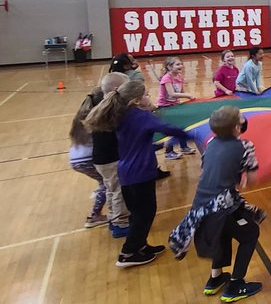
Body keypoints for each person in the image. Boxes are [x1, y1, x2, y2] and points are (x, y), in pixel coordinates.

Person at [84, 80, 191, 268]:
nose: (148, 97)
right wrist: (191, 132)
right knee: (145, 213)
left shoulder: (120, 115)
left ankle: (141, 245)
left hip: (127, 173)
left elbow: (136, 142)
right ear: (136, 100)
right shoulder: (141, 117)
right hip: (140, 174)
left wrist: (159, 145)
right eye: (146, 94)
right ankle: (128, 252)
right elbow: (169, 129)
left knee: (137, 213)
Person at [168, 106, 264, 301]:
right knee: (250, 234)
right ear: (238, 127)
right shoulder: (245, 146)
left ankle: (216, 278)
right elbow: (252, 180)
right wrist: (247, 176)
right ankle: (235, 285)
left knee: (223, 234)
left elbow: (210, 169)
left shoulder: (210, 142)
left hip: (201, 204)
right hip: (222, 205)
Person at [70, 72, 128, 233]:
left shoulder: (88, 113)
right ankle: (102, 218)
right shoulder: (103, 115)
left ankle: (112, 215)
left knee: (109, 186)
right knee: (110, 186)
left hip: (80, 158)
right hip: (92, 158)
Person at [87, 72, 133, 238]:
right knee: (118, 190)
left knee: (111, 189)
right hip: (110, 158)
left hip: (101, 158)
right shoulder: (112, 110)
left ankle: (114, 219)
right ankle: (121, 223)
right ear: (116, 89)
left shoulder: (100, 105)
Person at [157, 57, 197, 159]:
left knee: (181, 125)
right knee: (171, 128)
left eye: (181, 64)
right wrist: (187, 95)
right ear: (169, 67)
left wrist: (189, 98)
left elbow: (181, 92)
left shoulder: (179, 77)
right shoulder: (167, 78)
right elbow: (172, 93)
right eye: (177, 64)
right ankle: (168, 152)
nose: (181, 66)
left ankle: (184, 147)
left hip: (175, 105)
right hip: (165, 107)